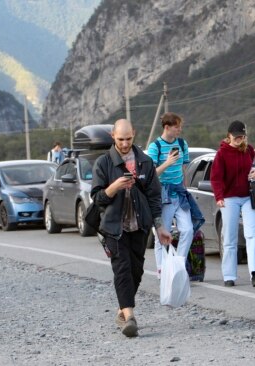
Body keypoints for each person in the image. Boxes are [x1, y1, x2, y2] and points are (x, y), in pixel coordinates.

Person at [90, 119, 172, 338]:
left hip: (139, 226)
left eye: (128, 139)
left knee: (136, 271)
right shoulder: (103, 163)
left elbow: (154, 197)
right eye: (120, 139)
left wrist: (159, 227)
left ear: (133, 134)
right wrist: (114, 187)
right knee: (122, 269)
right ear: (112, 136)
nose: (125, 144)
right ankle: (130, 317)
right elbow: (97, 198)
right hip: (114, 228)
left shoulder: (145, 162)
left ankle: (121, 310)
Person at [210, 120, 255, 288]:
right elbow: (216, 178)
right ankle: (229, 275)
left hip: (248, 196)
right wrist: (219, 196)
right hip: (229, 198)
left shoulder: (249, 150)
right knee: (229, 237)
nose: (239, 139)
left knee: (252, 234)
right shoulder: (221, 154)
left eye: (242, 137)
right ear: (229, 136)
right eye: (236, 137)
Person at [147, 112, 201, 277]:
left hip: (179, 192)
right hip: (163, 193)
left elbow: (183, 168)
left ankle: (178, 265)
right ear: (167, 127)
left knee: (188, 229)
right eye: (177, 127)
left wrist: (185, 187)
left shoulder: (182, 144)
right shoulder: (155, 146)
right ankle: (162, 269)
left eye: (180, 127)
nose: (179, 130)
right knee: (161, 232)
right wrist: (167, 163)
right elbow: (151, 174)